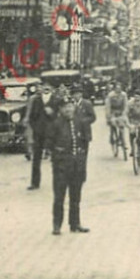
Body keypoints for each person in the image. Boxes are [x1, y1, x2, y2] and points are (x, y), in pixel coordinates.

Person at [48, 94, 91, 234]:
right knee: (59, 197)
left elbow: (85, 144)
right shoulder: (55, 124)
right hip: (61, 168)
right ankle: (57, 225)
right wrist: (58, 157)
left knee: (76, 197)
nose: (68, 110)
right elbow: (49, 144)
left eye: (70, 106)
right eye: (65, 107)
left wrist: (82, 162)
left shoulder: (81, 122)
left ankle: (75, 223)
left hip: (77, 166)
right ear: (60, 109)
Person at [27, 83, 56, 190]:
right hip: (38, 134)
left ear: (52, 89)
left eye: (48, 88)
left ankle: (59, 181)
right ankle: (35, 183)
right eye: (44, 88)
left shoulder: (56, 100)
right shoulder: (36, 101)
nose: (46, 90)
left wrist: (52, 113)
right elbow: (31, 117)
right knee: (36, 159)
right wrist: (36, 128)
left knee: (56, 158)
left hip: (52, 134)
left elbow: (60, 116)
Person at [105, 80, 129, 148]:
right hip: (113, 111)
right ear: (114, 88)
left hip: (121, 111)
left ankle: (123, 142)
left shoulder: (124, 95)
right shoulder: (110, 95)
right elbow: (108, 106)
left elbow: (126, 105)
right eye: (117, 88)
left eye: (120, 88)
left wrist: (124, 113)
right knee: (113, 123)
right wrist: (108, 116)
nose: (118, 89)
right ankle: (112, 137)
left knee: (122, 125)